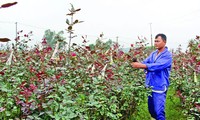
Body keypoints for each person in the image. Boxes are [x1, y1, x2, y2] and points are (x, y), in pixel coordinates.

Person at [131, 33, 172, 120]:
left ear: (164, 42)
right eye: (155, 41)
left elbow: (158, 66)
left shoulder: (167, 55)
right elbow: (146, 62)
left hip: (159, 86)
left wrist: (141, 66)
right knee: (152, 110)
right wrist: (136, 62)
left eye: (158, 41)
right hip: (150, 85)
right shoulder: (153, 54)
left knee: (159, 111)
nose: (155, 43)